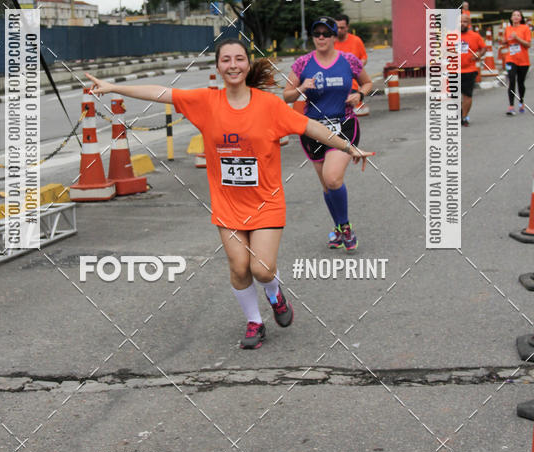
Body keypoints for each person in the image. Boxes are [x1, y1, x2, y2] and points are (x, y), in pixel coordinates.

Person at [85, 41, 372, 350]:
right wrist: (114, 87)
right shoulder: (206, 102)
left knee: (261, 269)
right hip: (228, 204)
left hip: (265, 202)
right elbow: (161, 93)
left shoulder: (269, 105)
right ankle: (254, 322)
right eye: (226, 60)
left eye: (239, 59)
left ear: (247, 66)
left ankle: (274, 294)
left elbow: (309, 127)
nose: (233, 64)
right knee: (239, 267)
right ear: (218, 67)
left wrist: (347, 146)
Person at [283, 16, 373, 251]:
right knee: (327, 186)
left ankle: (345, 227)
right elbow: (287, 95)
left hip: (343, 125)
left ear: (334, 37)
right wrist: (302, 88)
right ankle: (339, 227)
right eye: (317, 34)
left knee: (333, 178)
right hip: (313, 129)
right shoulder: (302, 64)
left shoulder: (349, 61)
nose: (321, 38)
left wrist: (360, 95)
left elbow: (367, 83)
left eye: (326, 33)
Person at [460, 12, 485, 126]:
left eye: (465, 22)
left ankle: (464, 117)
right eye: (460, 21)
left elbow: (484, 48)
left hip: (469, 70)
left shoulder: (475, 36)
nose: (462, 24)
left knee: (467, 95)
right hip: (454, 71)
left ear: (469, 24)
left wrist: (478, 55)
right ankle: (461, 112)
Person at [504, 9, 531, 114]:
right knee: (511, 80)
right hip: (510, 59)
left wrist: (517, 38)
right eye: (513, 15)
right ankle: (511, 106)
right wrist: (504, 41)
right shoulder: (508, 29)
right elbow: (505, 42)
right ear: (511, 18)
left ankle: (521, 101)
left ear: (521, 18)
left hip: (523, 60)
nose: (515, 17)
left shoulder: (525, 28)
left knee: (521, 82)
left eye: (518, 15)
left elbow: (528, 45)